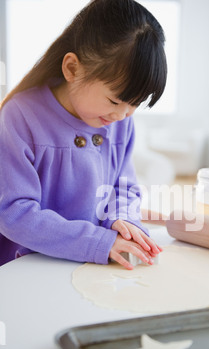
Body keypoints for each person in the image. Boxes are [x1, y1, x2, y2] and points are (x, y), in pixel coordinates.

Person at [0, 0, 167, 269]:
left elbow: (124, 189)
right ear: (72, 69)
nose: (124, 115)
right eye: (115, 101)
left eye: (135, 103)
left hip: (93, 264)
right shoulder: (19, 117)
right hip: (29, 268)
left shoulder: (121, 122)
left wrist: (122, 219)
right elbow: (14, 213)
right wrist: (97, 241)